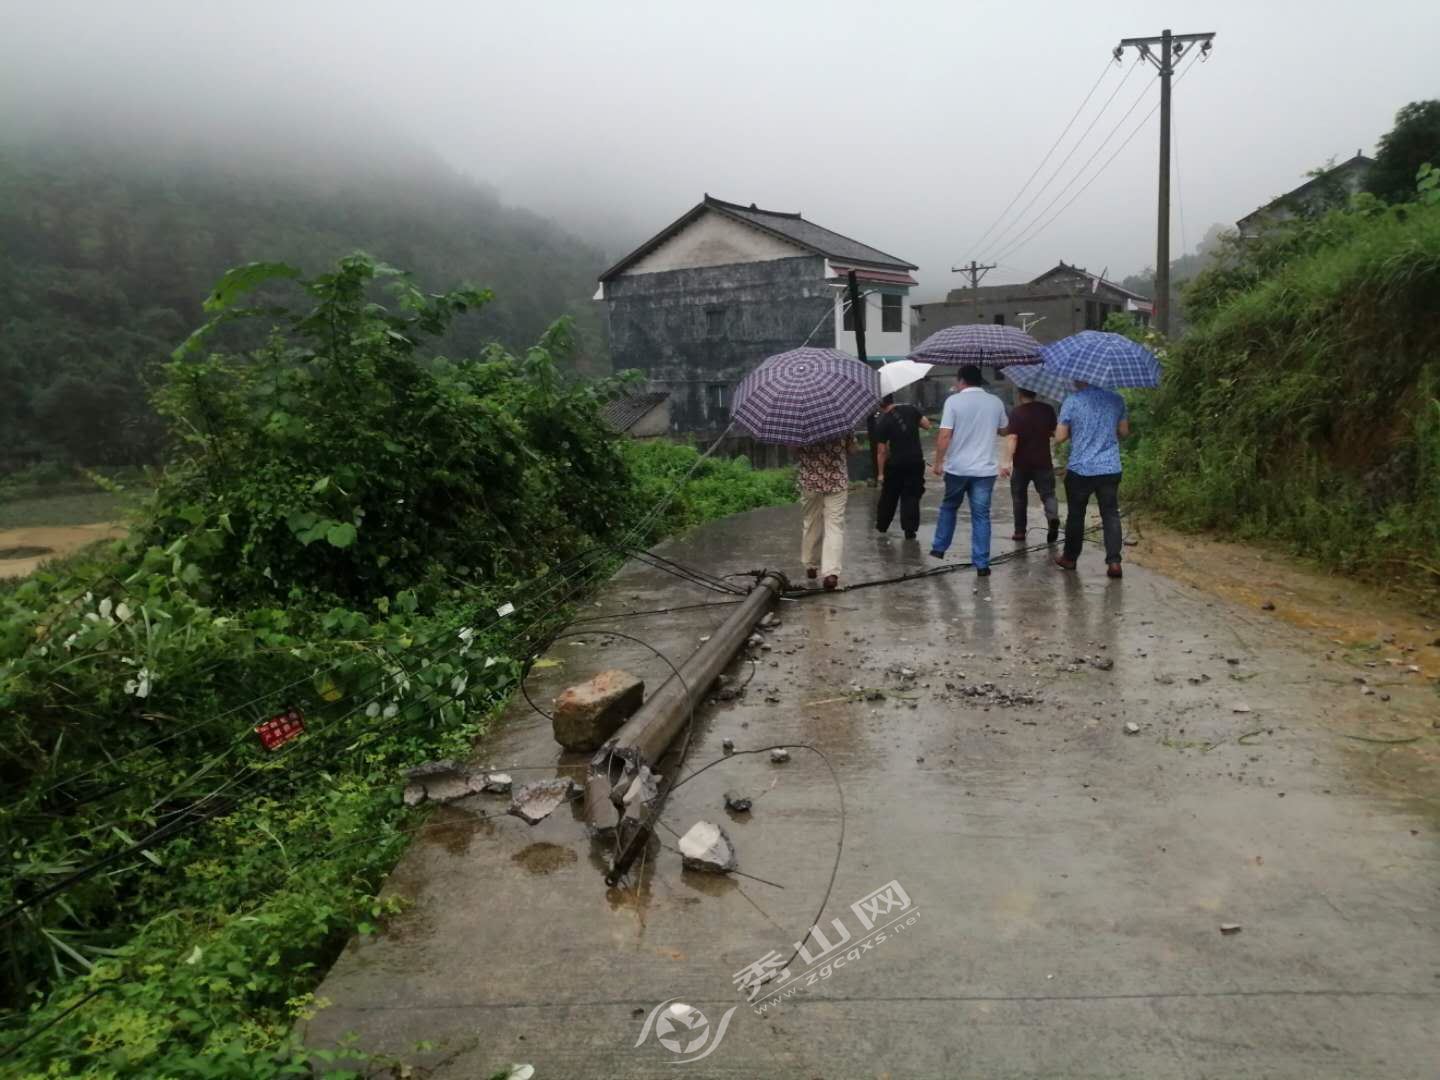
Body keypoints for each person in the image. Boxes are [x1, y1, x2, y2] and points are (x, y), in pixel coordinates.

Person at [929, 365, 1009, 576]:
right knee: (981, 515)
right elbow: (1004, 430)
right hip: (984, 471)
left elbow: (944, 435)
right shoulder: (995, 402)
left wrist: (938, 463)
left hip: (958, 469)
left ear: (962, 380)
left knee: (949, 506)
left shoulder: (953, 401)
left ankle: (939, 547)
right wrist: (987, 424)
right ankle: (982, 564)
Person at [1054, 379, 1130, 578]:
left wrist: (1075, 430)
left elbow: (1060, 437)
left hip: (1081, 469)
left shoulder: (1072, 401)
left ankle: (1070, 558)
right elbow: (1124, 432)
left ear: (1081, 378)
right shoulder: (1116, 399)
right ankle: (1114, 562)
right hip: (1110, 467)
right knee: (1111, 514)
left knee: (1076, 515)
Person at [796, 435, 852, 590]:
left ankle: (811, 565)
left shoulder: (800, 426)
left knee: (811, 522)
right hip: (836, 481)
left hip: (810, 481)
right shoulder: (842, 425)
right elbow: (852, 450)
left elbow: (794, 450)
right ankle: (831, 573)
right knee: (834, 525)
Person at [873, 393, 931, 540]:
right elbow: (927, 425)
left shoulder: (882, 422)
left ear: (880, 404)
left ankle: (882, 526)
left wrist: (881, 474)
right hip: (915, 461)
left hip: (895, 464)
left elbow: (881, 451)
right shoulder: (911, 409)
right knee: (911, 495)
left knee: (889, 495)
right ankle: (910, 530)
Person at [1006, 388, 1060, 543]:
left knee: (1019, 497)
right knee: (1048, 494)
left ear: (1020, 394)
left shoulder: (1017, 412)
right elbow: (1055, 432)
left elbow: (1013, 437)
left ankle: (1019, 532)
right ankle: (1053, 517)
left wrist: (1007, 461)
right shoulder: (1047, 409)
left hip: (1021, 463)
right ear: (1035, 393)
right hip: (1043, 461)